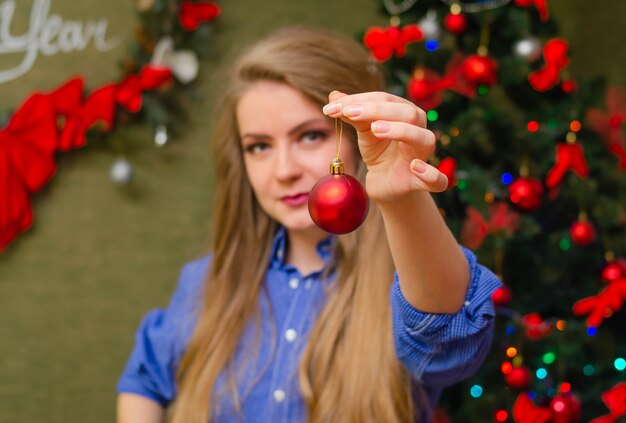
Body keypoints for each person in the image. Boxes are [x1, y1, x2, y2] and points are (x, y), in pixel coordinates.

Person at [116, 26, 502, 423]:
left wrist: (402, 199)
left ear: (355, 143)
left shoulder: (408, 285)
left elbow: (451, 342)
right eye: (259, 146)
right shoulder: (206, 283)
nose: (284, 170)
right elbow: (143, 380)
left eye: (311, 136)